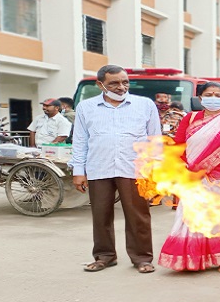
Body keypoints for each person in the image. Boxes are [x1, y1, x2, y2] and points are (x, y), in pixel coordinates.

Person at [69, 64, 161, 274]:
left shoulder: (144, 105)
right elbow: (80, 141)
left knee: (138, 215)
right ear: (100, 84)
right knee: (100, 215)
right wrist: (78, 171)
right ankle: (105, 256)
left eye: (125, 82)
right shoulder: (86, 107)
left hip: (134, 169)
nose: (121, 87)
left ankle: (142, 258)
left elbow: (155, 140)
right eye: (114, 83)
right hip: (98, 167)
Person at [158, 82, 220, 272]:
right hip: (193, 176)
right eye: (209, 94)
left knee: (218, 219)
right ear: (200, 98)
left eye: (218, 95)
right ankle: (192, 257)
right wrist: (186, 168)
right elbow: (179, 144)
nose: (214, 98)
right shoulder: (190, 118)